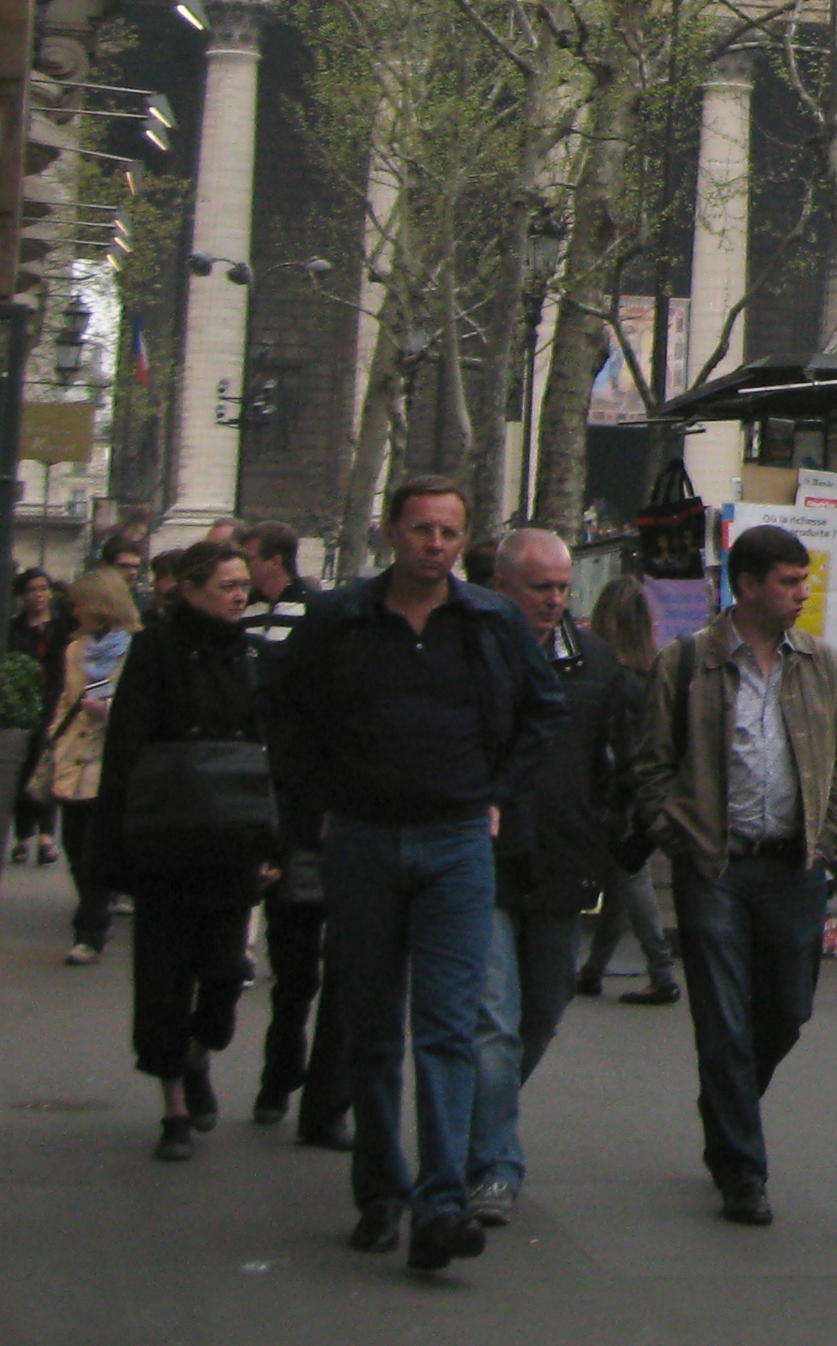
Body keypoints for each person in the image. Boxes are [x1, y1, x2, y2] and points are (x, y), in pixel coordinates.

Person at [265, 476, 562, 1276]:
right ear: (391, 532)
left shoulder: (490, 622)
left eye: (450, 533)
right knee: (369, 1026)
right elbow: (283, 711)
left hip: (458, 840)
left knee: (447, 1027)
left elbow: (544, 711)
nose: (435, 545)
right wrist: (314, 809)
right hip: (361, 839)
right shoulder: (340, 619)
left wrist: (498, 795)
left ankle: (438, 1203)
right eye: (422, 529)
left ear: (465, 543)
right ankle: (380, 1194)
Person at [635, 521, 837, 1229]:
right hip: (717, 864)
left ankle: (725, 1100)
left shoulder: (821, 663)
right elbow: (652, 764)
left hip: (794, 863)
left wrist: (832, 836)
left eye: (805, 579)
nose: (802, 592)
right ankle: (742, 1171)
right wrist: (678, 833)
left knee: (787, 1009)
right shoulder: (688, 661)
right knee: (724, 1022)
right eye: (789, 581)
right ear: (749, 586)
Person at [465, 526, 637, 1226]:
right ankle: (493, 1163)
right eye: (541, 587)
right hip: (483, 864)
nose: (555, 600)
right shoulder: (470, 653)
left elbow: (619, 760)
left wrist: (613, 838)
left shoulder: (594, 662)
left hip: (566, 863)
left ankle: (479, 1117)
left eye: (564, 588)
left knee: (541, 1014)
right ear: (502, 585)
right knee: (493, 1022)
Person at [96, 541, 282, 1163]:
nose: (240, 595)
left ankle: (201, 1050)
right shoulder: (155, 650)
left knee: (227, 973)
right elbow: (126, 747)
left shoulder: (253, 656)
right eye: (228, 585)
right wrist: (119, 844)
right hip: (169, 840)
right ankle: (174, 1101)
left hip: (232, 839)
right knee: (166, 976)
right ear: (192, 590)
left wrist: (276, 837)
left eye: (243, 586)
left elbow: (270, 754)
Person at [243, 522, 349, 1148]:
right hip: (306, 837)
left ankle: (300, 1088)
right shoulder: (290, 697)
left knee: (315, 975)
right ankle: (288, 1079)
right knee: (301, 972)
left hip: (330, 838)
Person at [573, 572, 678, 1007]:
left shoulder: (608, 676)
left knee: (629, 881)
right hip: (645, 791)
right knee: (620, 883)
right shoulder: (649, 675)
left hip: (616, 796)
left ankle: (661, 971)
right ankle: (594, 969)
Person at [39, 567, 141, 964]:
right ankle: (95, 911)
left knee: (97, 850)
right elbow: (65, 699)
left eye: (81, 603)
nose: (75, 610)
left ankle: (90, 931)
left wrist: (109, 712)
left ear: (101, 606)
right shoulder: (75, 650)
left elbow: (142, 705)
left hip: (111, 761)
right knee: (74, 846)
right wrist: (53, 734)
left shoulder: (136, 648)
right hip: (72, 759)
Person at [5, 569, 59, 865]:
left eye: (43, 588)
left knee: (47, 769)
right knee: (24, 772)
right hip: (23, 706)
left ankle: (46, 838)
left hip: (55, 705)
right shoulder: (14, 630)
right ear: (22, 595)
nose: (38, 595)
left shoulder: (60, 628)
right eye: (32, 589)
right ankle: (23, 837)